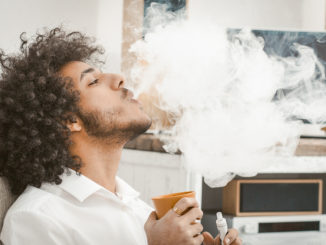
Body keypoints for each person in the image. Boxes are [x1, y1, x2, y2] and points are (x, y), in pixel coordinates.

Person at [0, 27, 241, 245]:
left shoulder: (135, 207)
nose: (118, 79)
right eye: (94, 81)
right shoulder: (37, 218)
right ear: (70, 120)